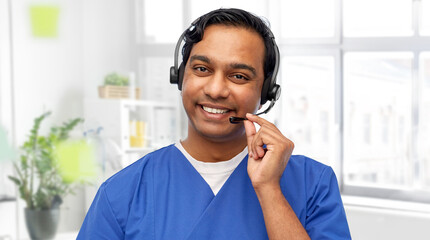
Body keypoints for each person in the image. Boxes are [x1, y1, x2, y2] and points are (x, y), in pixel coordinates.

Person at [77, 8, 351, 239]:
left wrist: (270, 191)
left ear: (265, 91)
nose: (217, 89)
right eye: (202, 69)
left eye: (239, 76)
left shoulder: (314, 185)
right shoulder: (121, 194)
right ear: (181, 77)